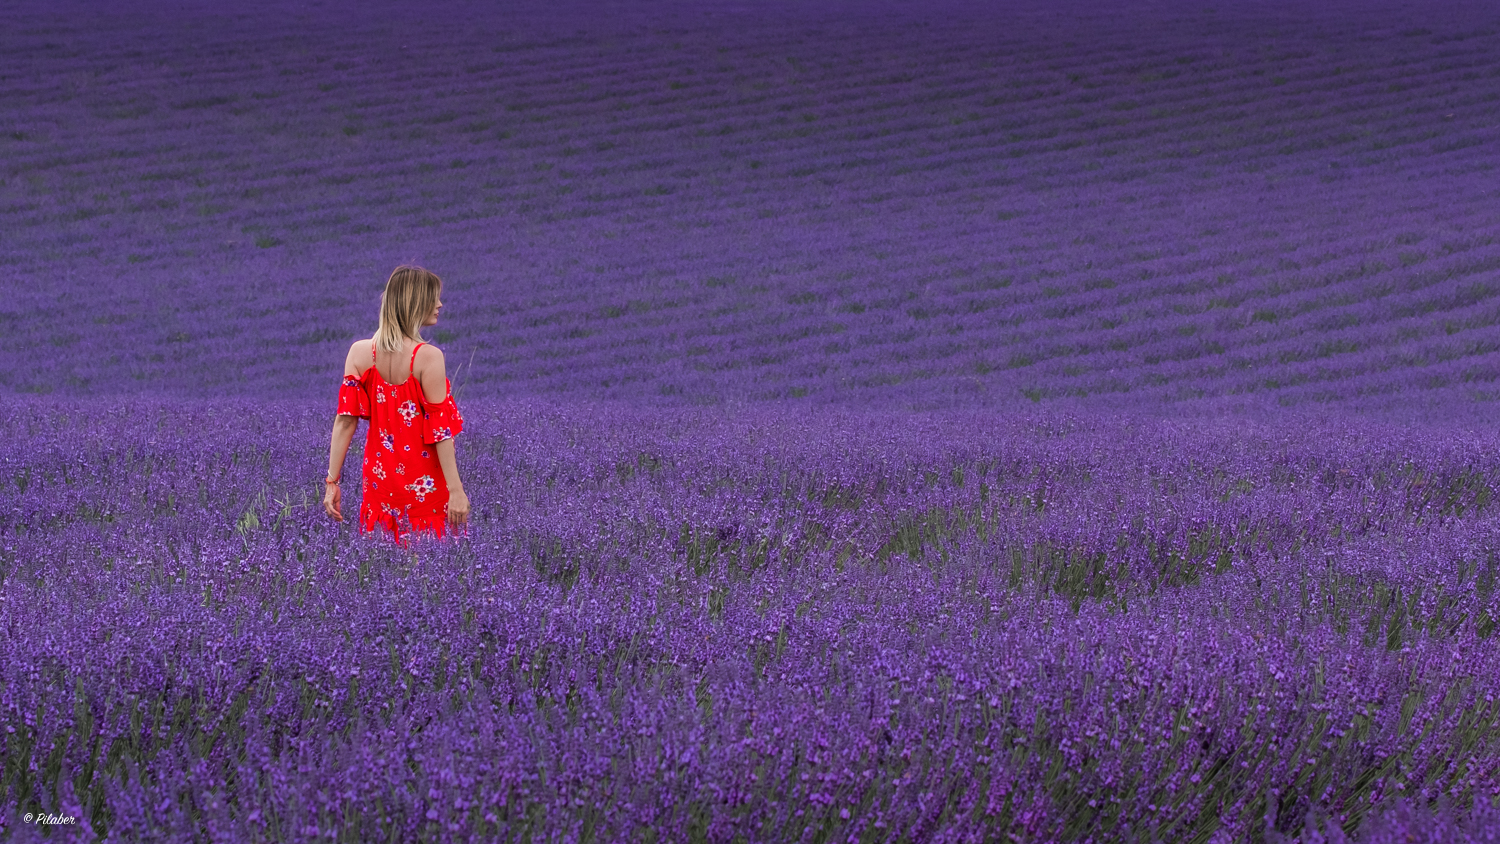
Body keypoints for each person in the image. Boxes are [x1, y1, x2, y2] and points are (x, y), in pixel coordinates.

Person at [323, 265, 470, 540]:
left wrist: (332, 481)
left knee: (383, 565)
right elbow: (440, 432)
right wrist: (456, 490)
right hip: (424, 484)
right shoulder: (428, 357)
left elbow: (344, 422)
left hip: (380, 483)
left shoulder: (359, 352)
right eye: (433, 298)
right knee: (429, 568)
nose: (440, 304)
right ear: (414, 303)